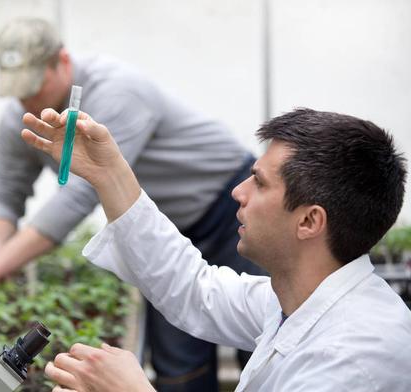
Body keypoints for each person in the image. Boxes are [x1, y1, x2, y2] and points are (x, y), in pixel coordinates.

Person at [0, 17, 264, 390]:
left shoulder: (115, 92)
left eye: (33, 86)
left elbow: (81, 195)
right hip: (162, 231)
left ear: (61, 62)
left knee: (258, 342)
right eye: (16, 89)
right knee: (178, 361)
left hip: (228, 211)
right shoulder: (20, 115)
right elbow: (4, 194)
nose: (25, 99)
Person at [20, 106, 411, 391]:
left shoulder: (356, 361)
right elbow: (194, 289)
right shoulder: (297, 301)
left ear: (309, 221)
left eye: (259, 183)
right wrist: (107, 172)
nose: (237, 192)